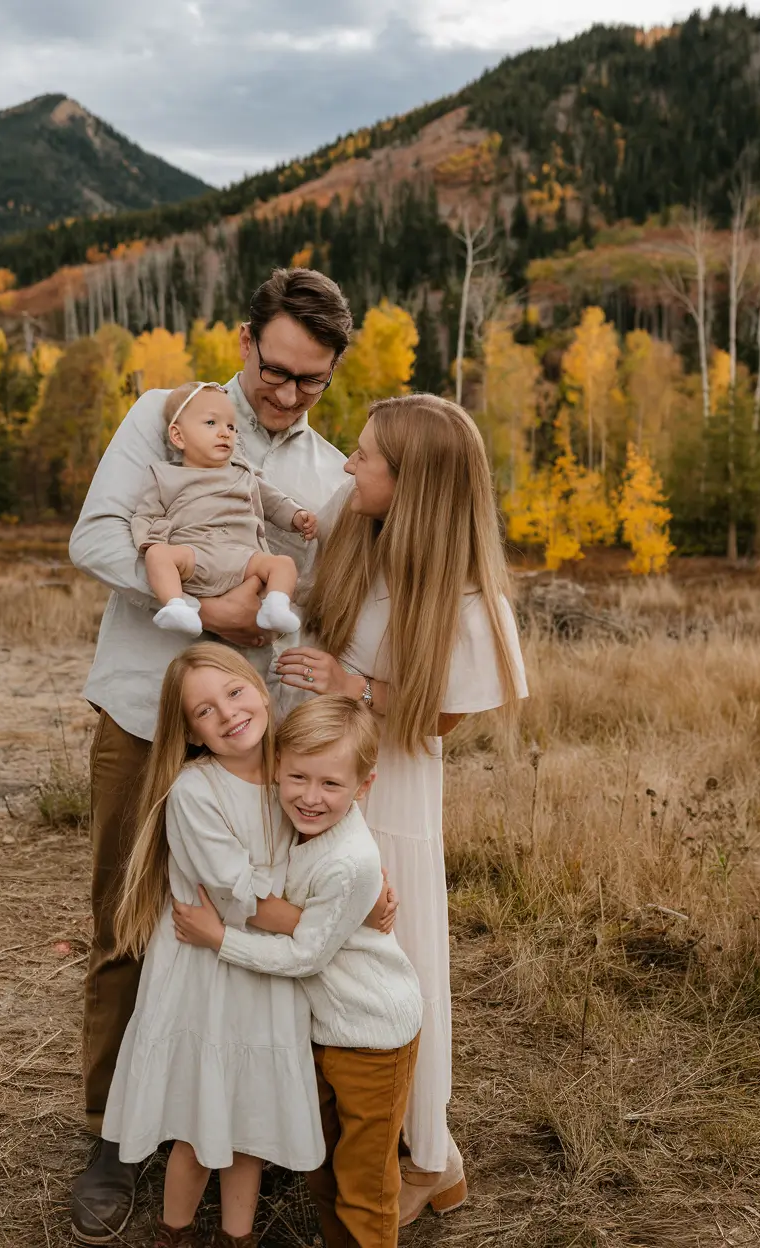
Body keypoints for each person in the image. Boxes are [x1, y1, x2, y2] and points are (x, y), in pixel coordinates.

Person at [68, 268, 353, 1243]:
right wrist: (203, 610)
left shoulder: (328, 474)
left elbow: (315, 605)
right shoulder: (164, 414)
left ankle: (238, 1127)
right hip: (142, 719)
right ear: (244, 342)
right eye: (276, 370)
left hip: (250, 746)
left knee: (239, 928)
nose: (286, 394)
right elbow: (99, 535)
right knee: (125, 919)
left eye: (310, 381)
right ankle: (112, 1135)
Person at [274, 394, 529, 1226]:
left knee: (396, 957)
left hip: (395, 781)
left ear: (411, 482)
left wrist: (357, 688)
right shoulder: (359, 521)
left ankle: (428, 1154)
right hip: (322, 767)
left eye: (366, 456)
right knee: (318, 936)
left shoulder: (460, 595)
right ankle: (340, 1132)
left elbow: (446, 715)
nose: (349, 465)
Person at [172, 695, 423, 1248]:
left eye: (331, 785)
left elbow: (305, 956)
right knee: (322, 1165)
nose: (310, 797)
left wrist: (220, 939)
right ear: (276, 770)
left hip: (372, 1033)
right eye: (297, 778)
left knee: (365, 1180)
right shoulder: (298, 825)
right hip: (322, 1028)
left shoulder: (346, 859)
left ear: (364, 787)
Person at [101, 641, 325, 1248]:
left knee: (247, 1127)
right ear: (192, 733)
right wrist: (330, 923)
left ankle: (237, 1237)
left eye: (233, 692)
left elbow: (335, 838)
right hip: (206, 980)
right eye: (204, 711)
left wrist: (363, 893)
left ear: (259, 687)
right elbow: (239, 896)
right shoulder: (195, 792)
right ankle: (173, 1232)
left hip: (263, 974)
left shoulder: (293, 771)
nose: (227, 714)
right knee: (199, 1129)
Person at [132, 380, 318, 638]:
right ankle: (176, 605)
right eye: (211, 423)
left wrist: (296, 515)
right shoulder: (163, 475)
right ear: (178, 436)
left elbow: (272, 500)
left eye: (231, 426)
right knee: (157, 556)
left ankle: (275, 605)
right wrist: (151, 542)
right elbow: (146, 514)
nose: (225, 433)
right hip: (196, 554)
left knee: (283, 564)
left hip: (242, 557)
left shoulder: (240, 470)